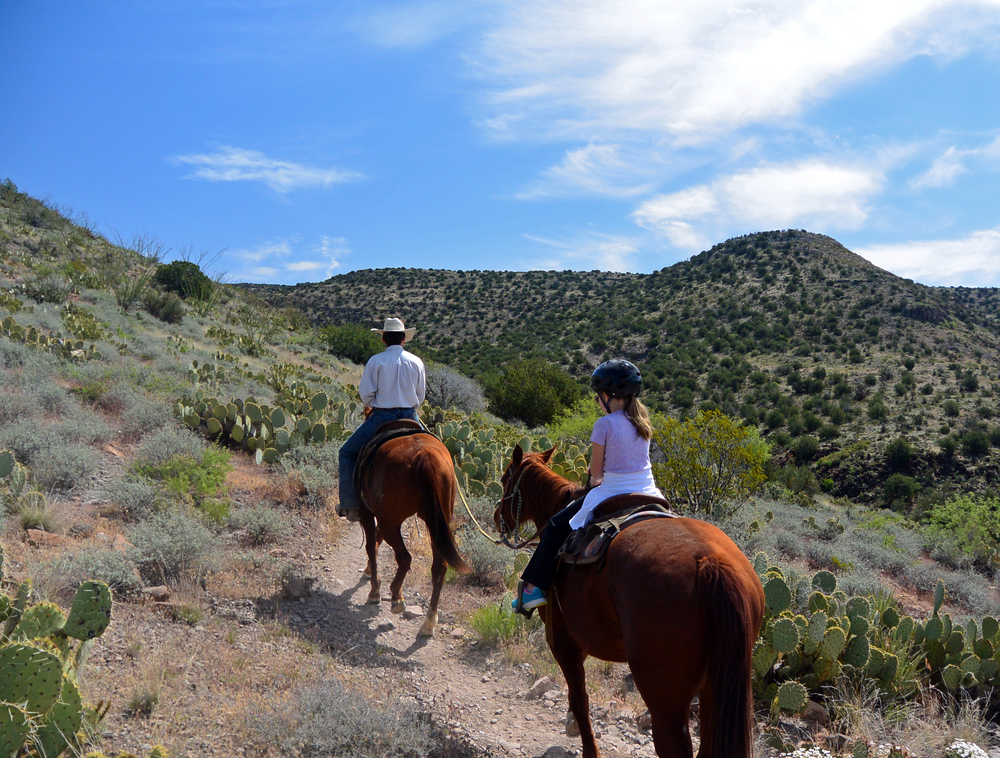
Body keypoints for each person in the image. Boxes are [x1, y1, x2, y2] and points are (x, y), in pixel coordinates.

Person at [513, 359, 663, 613]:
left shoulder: (604, 424)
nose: (596, 402)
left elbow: (596, 476)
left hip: (612, 490)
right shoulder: (642, 422)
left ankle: (534, 590)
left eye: (597, 397)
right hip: (649, 491)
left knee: (556, 525)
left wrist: (591, 478)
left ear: (607, 396)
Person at [337, 317, 426, 522]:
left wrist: (379, 400)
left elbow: (366, 396)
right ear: (404, 339)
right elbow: (420, 397)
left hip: (382, 417)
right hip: (410, 416)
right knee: (438, 450)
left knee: (347, 453)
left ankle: (350, 506)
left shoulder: (376, 361)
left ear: (384, 339)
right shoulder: (416, 362)